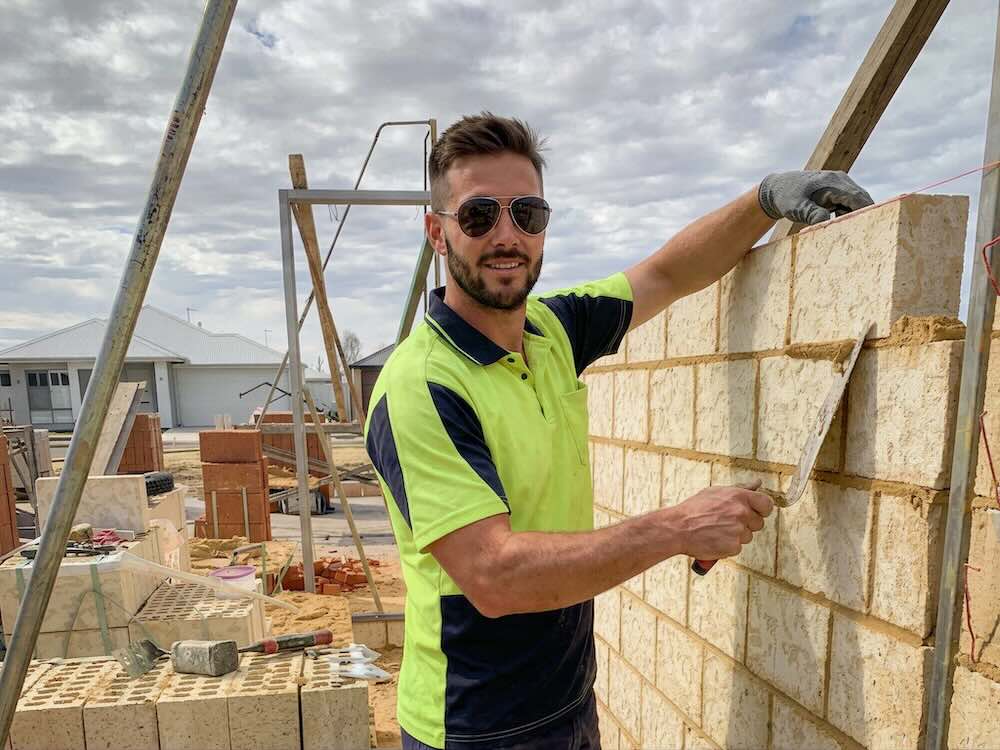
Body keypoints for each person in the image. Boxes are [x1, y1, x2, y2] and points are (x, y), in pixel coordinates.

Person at [364, 113, 874, 750]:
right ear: (437, 233)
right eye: (478, 217)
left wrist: (763, 199)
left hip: (569, 700)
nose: (506, 236)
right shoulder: (423, 388)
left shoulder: (550, 332)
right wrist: (677, 527)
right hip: (476, 729)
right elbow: (494, 577)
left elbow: (666, 274)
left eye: (527, 213)